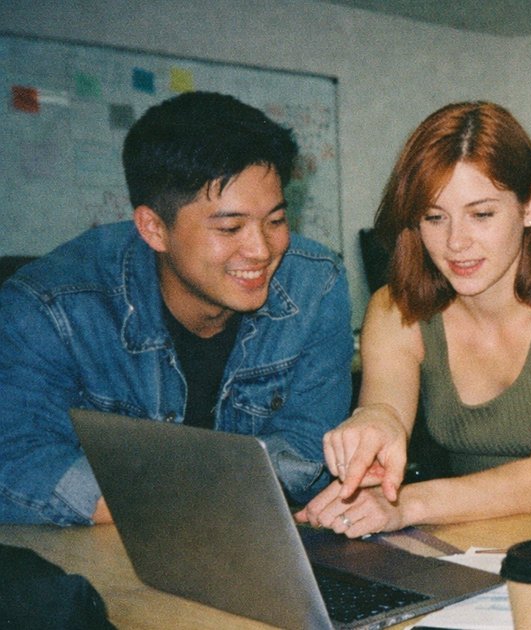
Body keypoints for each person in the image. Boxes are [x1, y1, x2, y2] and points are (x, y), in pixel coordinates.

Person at [0, 91, 354, 526]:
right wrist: (195, 502)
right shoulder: (50, 307)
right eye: (230, 227)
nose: (261, 249)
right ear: (153, 228)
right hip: (106, 554)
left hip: (256, 545)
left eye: (276, 221)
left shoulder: (315, 284)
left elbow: (308, 442)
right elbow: (18, 463)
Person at [294, 102, 531, 538]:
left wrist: (406, 504)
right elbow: (386, 408)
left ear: (530, 205)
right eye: (434, 218)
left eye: (481, 214)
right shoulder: (393, 309)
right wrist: (373, 423)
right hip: (468, 523)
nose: (456, 242)